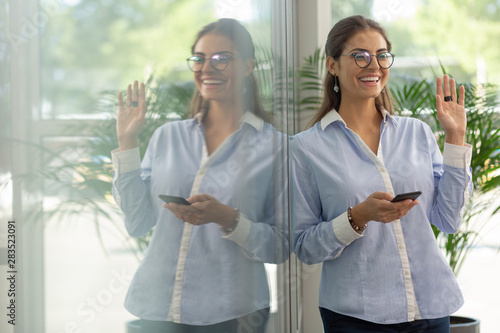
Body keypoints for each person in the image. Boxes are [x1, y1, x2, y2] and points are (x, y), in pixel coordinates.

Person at [291, 15, 472, 333]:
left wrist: (456, 138)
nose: (373, 65)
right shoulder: (305, 148)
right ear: (333, 65)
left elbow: (449, 220)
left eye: (381, 55)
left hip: (431, 308)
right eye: (359, 56)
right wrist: (356, 217)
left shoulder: (416, 132)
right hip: (356, 318)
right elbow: (305, 246)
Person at [111, 18, 287, 333]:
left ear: (247, 67)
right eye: (200, 58)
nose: (207, 68)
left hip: (233, 314)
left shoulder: (274, 147)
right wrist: (127, 142)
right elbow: (137, 223)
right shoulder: (167, 137)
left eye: (222, 58)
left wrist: (228, 219)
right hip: (155, 309)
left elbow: (281, 246)